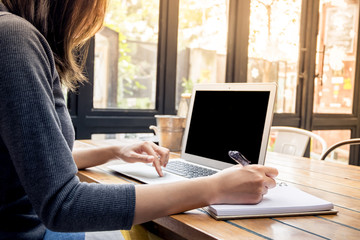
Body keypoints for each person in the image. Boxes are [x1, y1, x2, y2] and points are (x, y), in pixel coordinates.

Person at [0, 0, 278, 239]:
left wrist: (113, 151)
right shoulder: (13, 38)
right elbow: (64, 205)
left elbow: (27, 166)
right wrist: (213, 187)